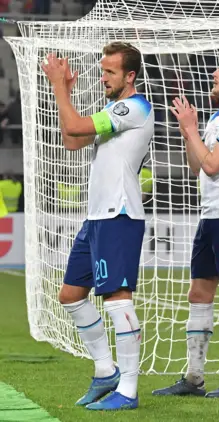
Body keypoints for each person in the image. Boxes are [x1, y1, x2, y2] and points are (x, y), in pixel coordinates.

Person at [41, 42, 154, 411]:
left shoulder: (133, 108)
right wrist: (68, 93)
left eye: (110, 72)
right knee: (71, 295)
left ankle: (129, 390)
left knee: (117, 299)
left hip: (119, 215)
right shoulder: (112, 109)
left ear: (130, 76)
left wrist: (59, 86)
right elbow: (72, 140)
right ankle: (106, 370)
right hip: (97, 218)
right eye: (102, 70)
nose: (103, 77)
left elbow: (74, 127)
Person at [152, 50, 219, 399]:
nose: (216, 73)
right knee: (198, 293)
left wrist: (191, 130)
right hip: (210, 215)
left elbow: (213, 166)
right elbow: (196, 167)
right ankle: (194, 377)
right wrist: (190, 133)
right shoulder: (217, 119)